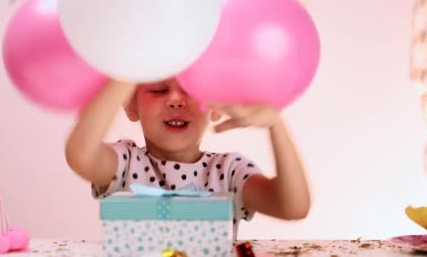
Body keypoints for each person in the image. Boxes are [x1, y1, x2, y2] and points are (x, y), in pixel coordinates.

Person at [65, 77, 310, 236]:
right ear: (131, 106)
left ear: (215, 107)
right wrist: (130, 69)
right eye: (158, 89)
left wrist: (276, 124)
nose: (175, 99)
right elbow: (81, 154)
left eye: (192, 89)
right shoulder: (125, 162)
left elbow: (294, 207)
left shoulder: (228, 172)